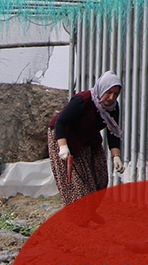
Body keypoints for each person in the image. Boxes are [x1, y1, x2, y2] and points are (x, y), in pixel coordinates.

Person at [48, 70, 124, 207]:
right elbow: (60, 122)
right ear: (102, 89)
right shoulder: (82, 100)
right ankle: (79, 219)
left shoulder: (113, 108)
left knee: (99, 177)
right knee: (76, 184)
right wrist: (63, 147)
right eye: (109, 92)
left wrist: (116, 156)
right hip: (64, 136)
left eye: (116, 94)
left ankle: (90, 213)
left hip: (88, 138)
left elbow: (113, 132)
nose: (111, 97)